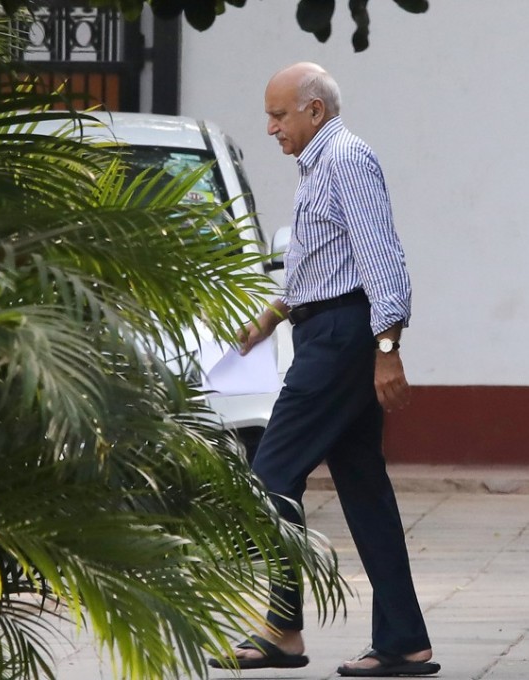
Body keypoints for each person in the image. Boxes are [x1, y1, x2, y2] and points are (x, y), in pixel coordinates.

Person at [208, 62, 440, 677]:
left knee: (270, 470)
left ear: (315, 110)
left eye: (279, 114)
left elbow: (381, 257)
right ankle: (404, 642)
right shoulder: (319, 164)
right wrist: (273, 314)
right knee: (364, 490)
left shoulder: (345, 159)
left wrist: (387, 350)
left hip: (342, 339)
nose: (269, 128)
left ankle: (282, 627)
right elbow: (325, 260)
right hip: (328, 329)